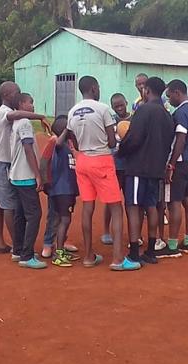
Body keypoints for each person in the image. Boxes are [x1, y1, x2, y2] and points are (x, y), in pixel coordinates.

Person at [57, 76, 141, 271]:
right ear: (94, 88)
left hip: (83, 161)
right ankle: (118, 259)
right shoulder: (103, 109)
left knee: (87, 207)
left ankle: (88, 256)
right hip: (101, 161)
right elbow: (112, 142)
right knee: (116, 208)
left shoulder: (72, 111)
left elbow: (73, 140)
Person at [0, 81, 50, 255]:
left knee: (0, 203)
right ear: (8, 95)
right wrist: (40, 116)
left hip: (5, 163)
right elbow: (18, 118)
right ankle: (18, 247)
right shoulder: (4, 112)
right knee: (9, 205)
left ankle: (1, 242)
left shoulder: (11, 113)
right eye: (18, 92)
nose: (20, 94)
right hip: (1, 163)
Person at [118, 77, 175, 264]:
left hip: (138, 167)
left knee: (133, 207)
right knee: (151, 207)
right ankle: (151, 250)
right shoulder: (167, 114)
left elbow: (134, 138)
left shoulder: (143, 110)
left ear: (147, 90)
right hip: (156, 168)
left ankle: (134, 252)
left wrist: (122, 150)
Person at [158, 79, 188, 258]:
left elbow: (181, 139)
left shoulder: (182, 112)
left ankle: (173, 244)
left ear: (177, 92)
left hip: (181, 161)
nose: (169, 100)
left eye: (169, 96)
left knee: (174, 202)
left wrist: (171, 164)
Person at [8, 93, 46, 269]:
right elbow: (28, 149)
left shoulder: (17, 121)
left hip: (16, 176)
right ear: (22, 103)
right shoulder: (24, 123)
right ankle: (27, 255)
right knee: (34, 215)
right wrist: (37, 174)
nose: (33, 106)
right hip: (25, 176)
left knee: (21, 214)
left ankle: (18, 250)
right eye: (31, 103)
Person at [40, 118, 79, 259]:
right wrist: (44, 181)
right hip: (59, 188)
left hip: (68, 188)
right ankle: (48, 243)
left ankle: (60, 242)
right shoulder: (55, 141)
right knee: (55, 217)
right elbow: (44, 162)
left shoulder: (69, 144)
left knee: (63, 217)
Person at [101, 93, 130, 245]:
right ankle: (106, 231)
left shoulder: (134, 120)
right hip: (113, 167)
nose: (119, 108)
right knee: (110, 201)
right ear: (112, 107)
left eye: (121, 105)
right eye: (116, 106)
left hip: (130, 167)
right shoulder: (111, 122)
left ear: (126, 102)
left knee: (130, 202)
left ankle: (134, 234)